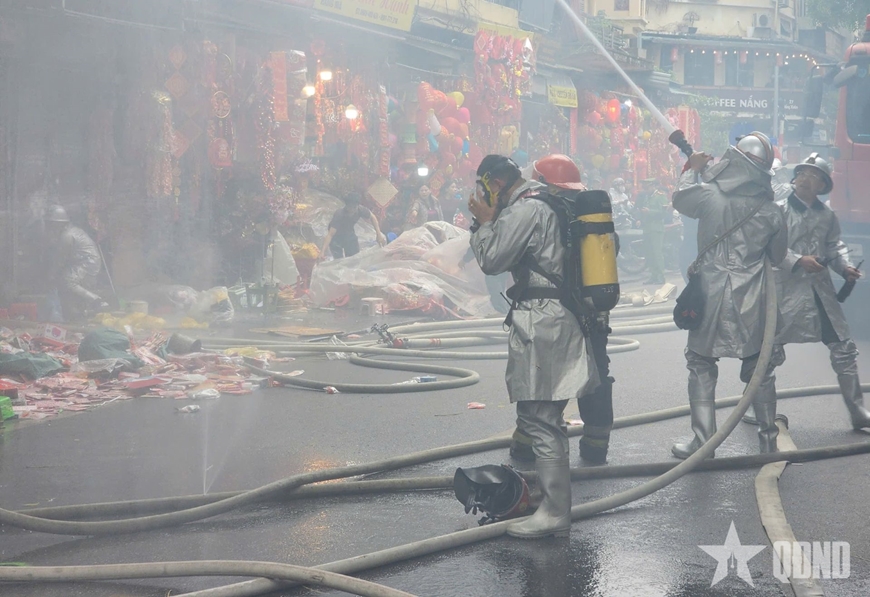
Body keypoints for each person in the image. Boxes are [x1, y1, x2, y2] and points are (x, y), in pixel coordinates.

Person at [468, 154, 599, 539]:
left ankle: (555, 512)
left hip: (543, 319)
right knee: (542, 415)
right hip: (559, 315)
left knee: (541, 417)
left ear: (495, 184)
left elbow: (492, 259)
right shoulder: (553, 205)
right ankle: (549, 497)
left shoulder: (526, 209)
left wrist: (485, 222)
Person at [670, 132, 788, 458]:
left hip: (709, 290)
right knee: (759, 368)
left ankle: (703, 442)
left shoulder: (709, 196)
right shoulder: (772, 211)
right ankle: (768, 442)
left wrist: (692, 169)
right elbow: (778, 256)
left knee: (700, 362)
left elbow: (680, 199)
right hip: (754, 295)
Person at [742, 154, 870, 432]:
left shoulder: (827, 215)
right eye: (801, 174)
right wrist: (798, 260)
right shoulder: (776, 210)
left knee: (844, 348)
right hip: (782, 291)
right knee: (766, 353)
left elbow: (834, 246)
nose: (805, 179)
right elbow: (765, 244)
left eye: (813, 176)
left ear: (823, 184)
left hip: (819, 292)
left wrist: (845, 267)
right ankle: (755, 406)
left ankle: (858, 410)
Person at [512, 154, 614, 465]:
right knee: (597, 374)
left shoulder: (539, 212)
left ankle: (527, 443)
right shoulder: (590, 215)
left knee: (546, 376)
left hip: (556, 308)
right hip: (593, 310)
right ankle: (596, 445)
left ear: (542, 182)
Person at [44, 205, 109, 319]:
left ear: (59, 224)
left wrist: (51, 277)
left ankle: (96, 300)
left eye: (52, 224)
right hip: (84, 261)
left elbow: (60, 260)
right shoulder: (72, 231)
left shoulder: (67, 236)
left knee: (67, 281)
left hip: (87, 263)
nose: (50, 227)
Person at [319, 192, 386, 260]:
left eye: (354, 207)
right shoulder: (339, 214)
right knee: (339, 259)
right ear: (346, 205)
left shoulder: (360, 209)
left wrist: (378, 234)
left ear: (357, 206)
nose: (352, 210)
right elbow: (330, 234)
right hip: (336, 237)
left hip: (349, 233)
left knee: (354, 258)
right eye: (350, 207)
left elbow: (372, 217)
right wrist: (322, 252)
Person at [635, 178, 670, 285]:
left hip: (656, 229)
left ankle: (661, 276)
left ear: (654, 186)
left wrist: (649, 211)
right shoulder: (647, 197)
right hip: (647, 229)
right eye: (645, 187)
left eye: (648, 187)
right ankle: (653, 275)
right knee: (649, 253)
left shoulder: (660, 196)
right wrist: (640, 219)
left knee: (657, 253)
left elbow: (664, 213)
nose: (646, 189)